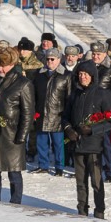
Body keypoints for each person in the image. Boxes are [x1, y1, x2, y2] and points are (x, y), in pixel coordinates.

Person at [0, 47, 35, 204]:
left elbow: (28, 113)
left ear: (12, 64)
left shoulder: (23, 84)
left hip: (12, 134)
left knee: (14, 172)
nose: (0, 69)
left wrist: (22, 136)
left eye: (4, 65)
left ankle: (15, 202)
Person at [63, 61, 111, 218]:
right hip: (77, 144)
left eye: (85, 74)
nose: (82, 77)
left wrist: (93, 129)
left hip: (94, 146)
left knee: (96, 182)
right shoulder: (74, 94)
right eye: (80, 74)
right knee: (80, 182)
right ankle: (82, 210)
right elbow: (65, 117)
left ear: (92, 76)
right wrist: (68, 129)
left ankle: (99, 211)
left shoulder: (102, 93)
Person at [31, 48, 71, 176]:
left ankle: (59, 167)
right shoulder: (39, 74)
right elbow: (33, 95)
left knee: (58, 144)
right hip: (41, 113)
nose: (49, 61)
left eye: (52, 59)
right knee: (41, 142)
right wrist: (33, 111)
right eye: (47, 59)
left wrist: (66, 115)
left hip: (57, 115)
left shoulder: (66, 75)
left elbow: (69, 98)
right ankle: (43, 165)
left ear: (59, 60)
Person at [92, 41, 111, 181]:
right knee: (92, 142)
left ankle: (110, 171)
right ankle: (94, 168)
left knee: (107, 144)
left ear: (105, 54)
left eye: (98, 54)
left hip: (106, 112)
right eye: (93, 54)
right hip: (91, 110)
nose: (95, 56)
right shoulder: (88, 66)